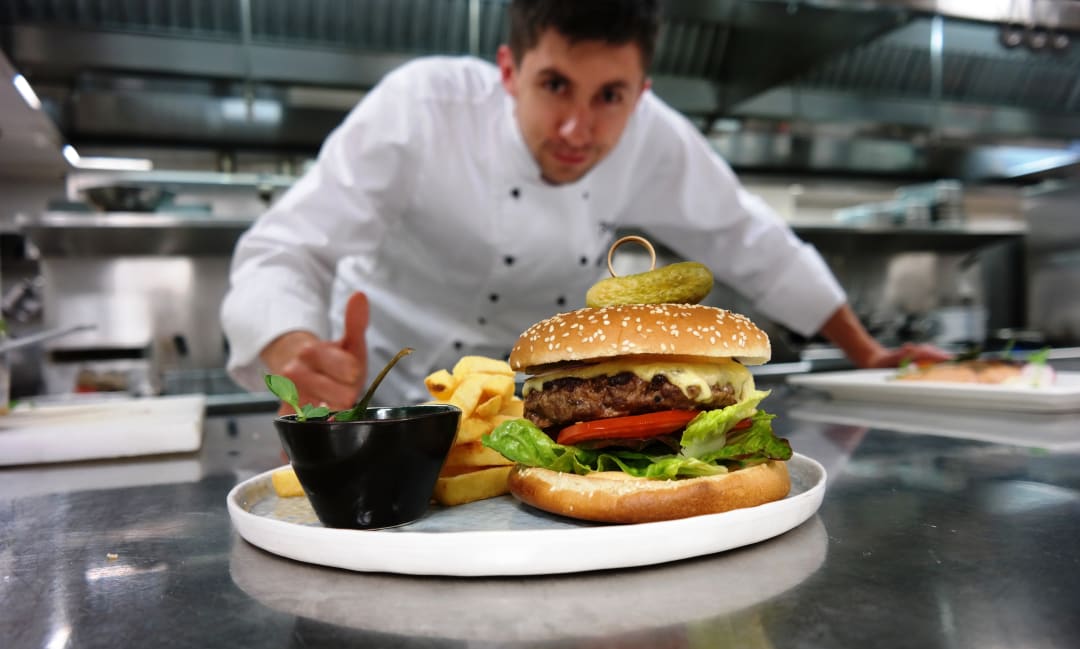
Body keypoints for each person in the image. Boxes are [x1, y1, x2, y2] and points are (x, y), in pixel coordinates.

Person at [221, 0, 949, 410]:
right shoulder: (420, 108)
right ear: (510, 71)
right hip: (377, 397)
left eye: (610, 96)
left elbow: (750, 239)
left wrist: (867, 354)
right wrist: (294, 352)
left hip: (529, 411)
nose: (578, 128)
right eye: (555, 86)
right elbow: (285, 249)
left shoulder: (655, 138)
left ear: (643, 92)